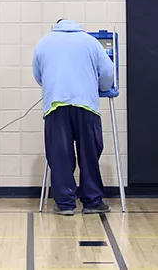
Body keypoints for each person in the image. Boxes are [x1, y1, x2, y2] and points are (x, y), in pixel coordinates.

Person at [33, 18, 116, 216]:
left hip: (56, 105)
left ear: (57, 26)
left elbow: (38, 76)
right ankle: (92, 201)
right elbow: (107, 72)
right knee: (89, 153)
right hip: (86, 104)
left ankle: (65, 204)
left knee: (60, 155)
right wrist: (102, 88)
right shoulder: (90, 42)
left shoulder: (44, 42)